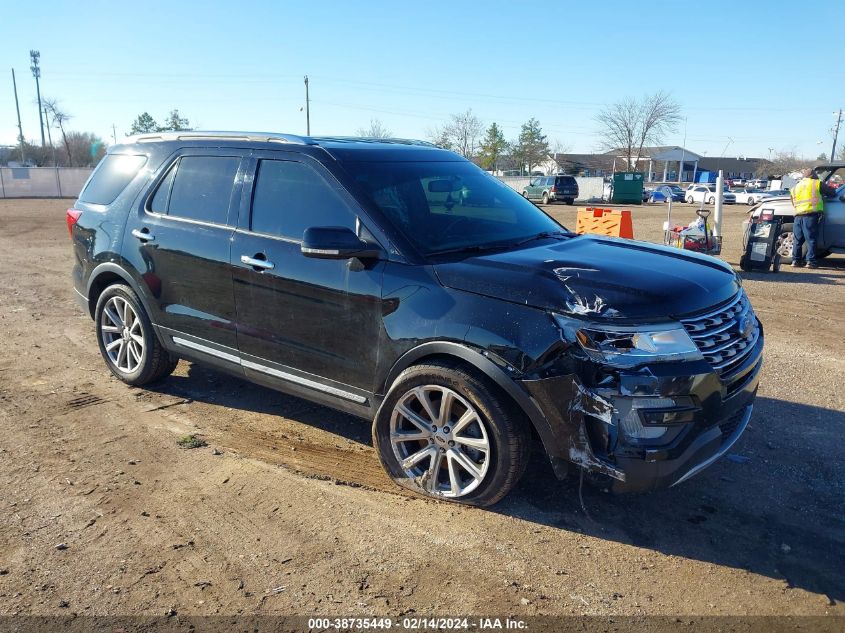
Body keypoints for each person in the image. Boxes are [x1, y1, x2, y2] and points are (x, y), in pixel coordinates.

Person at [790, 168, 836, 268]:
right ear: (813, 175)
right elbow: (832, 193)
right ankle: (810, 262)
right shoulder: (816, 183)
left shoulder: (796, 186)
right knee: (811, 239)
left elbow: (793, 202)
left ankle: (795, 261)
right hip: (810, 216)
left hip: (798, 216)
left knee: (797, 240)